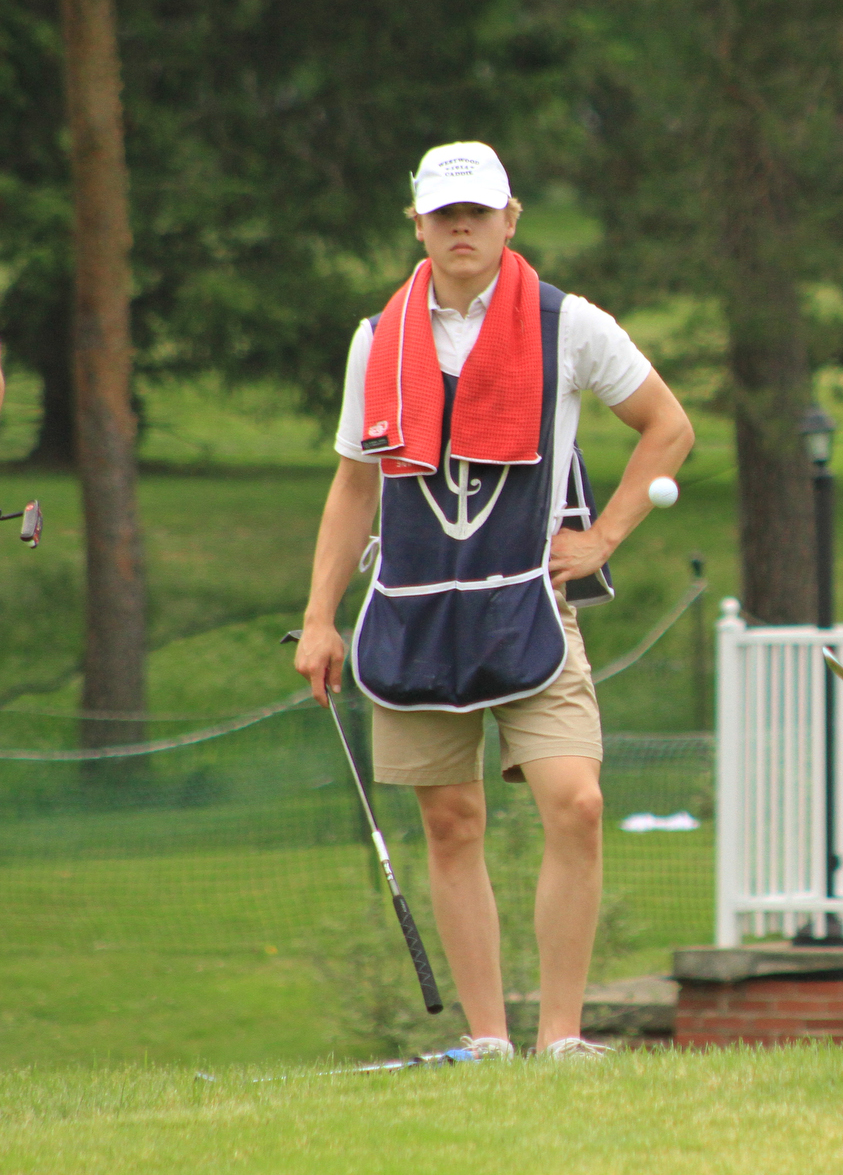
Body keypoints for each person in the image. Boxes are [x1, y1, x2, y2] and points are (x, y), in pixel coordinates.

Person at [293, 141, 693, 1059]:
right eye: (444, 213)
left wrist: (603, 538)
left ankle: (561, 1037)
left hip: (531, 609)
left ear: (511, 220)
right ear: (419, 224)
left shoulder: (570, 325)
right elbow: (356, 487)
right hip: (413, 611)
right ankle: (488, 1041)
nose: (461, 226)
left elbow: (668, 428)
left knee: (577, 801)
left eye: (478, 211)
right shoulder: (376, 339)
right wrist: (320, 618)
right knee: (450, 819)